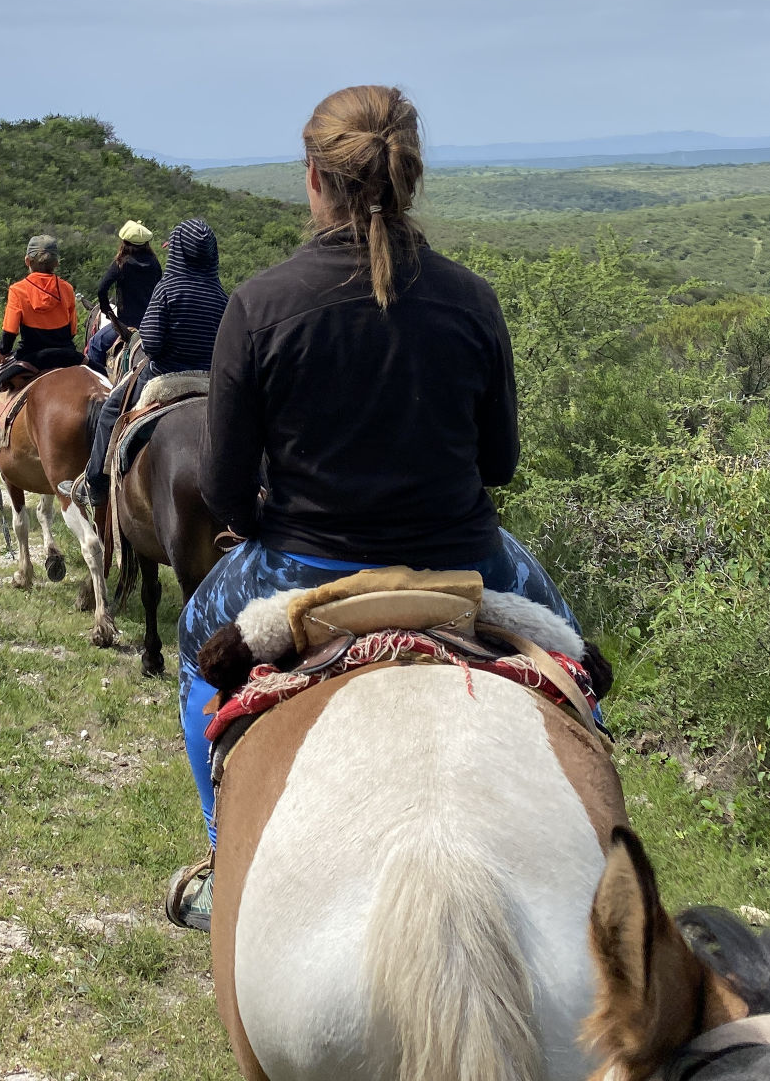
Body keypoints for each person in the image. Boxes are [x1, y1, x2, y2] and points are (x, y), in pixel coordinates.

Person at [164, 84, 583, 933]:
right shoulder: (472, 299)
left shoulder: (261, 303)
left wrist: (264, 516)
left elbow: (222, 487)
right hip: (468, 560)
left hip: (301, 565)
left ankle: (221, 857)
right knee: (574, 662)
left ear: (314, 177)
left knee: (191, 645)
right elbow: (498, 463)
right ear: (411, 177)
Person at [68, 218, 227, 509]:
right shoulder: (221, 296)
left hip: (166, 376)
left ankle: (95, 485)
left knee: (110, 410)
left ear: (177, 251)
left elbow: (151, 344)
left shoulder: (167, 289)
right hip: (210, 382)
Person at [0, 235, 82, 465]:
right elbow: (72, 330)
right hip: (68, 356)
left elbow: (9, 334)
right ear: (56, 263)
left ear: (27, 261)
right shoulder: (66, 288)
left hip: (32, 359)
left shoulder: (19, 290)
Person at [86, 220, 160, 373]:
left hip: (126, 324)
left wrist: (107, 310)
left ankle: (101, 381)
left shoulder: (121, 263)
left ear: (125, 242)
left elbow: (102, 289)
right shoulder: (154, 263)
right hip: (150, 325)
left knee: (95, 345)